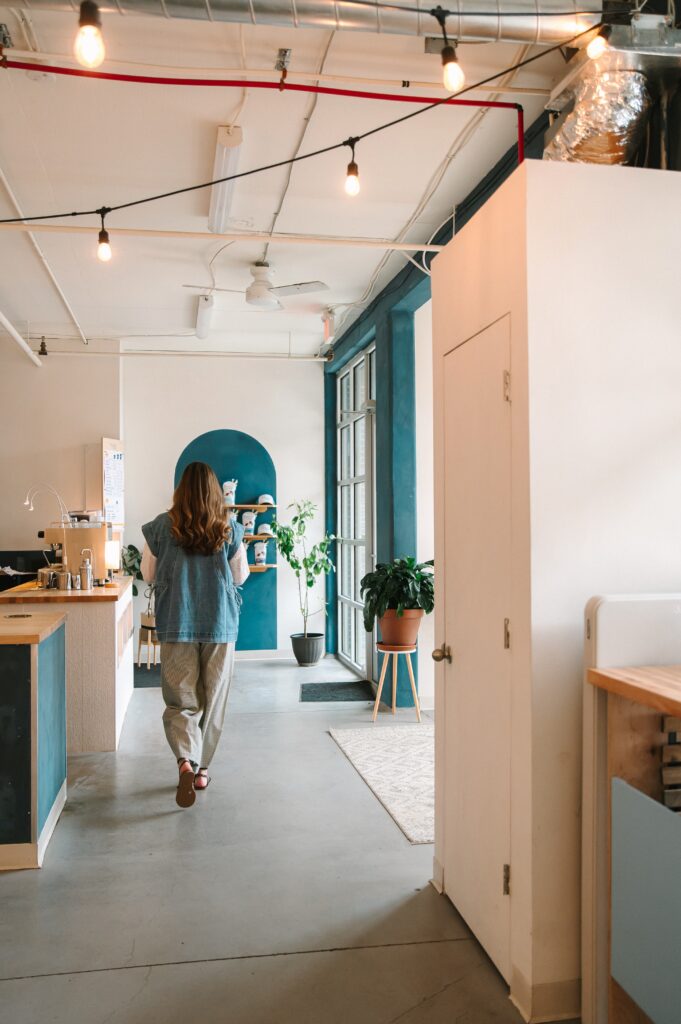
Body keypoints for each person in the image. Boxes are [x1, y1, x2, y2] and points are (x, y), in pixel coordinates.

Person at [141, 462, 249, 808]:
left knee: (181, 699)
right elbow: (240, 576)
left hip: (176, 622)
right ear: (217, 492)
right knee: (213, 699)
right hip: (219, 626)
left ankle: (184, 760)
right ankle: (202, 770)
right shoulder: (229, 528)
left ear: (180, 491)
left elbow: (148, 573)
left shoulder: (161, 526)